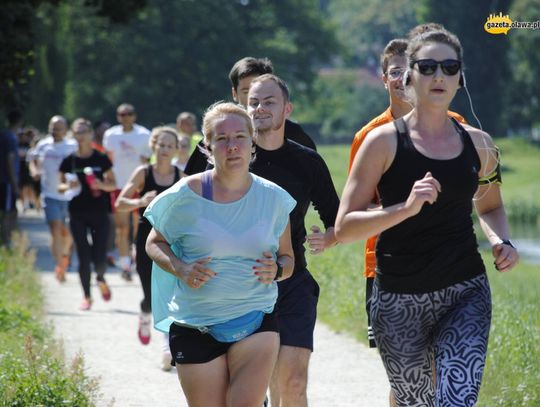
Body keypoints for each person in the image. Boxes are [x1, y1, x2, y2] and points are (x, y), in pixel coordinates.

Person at [335, 28, 519, 406]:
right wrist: (403, 208)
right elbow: (345, 226)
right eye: (428, 66)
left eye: (449, 67)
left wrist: (502, 240)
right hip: (398, 297)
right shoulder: (381, 142)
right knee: (416, 402)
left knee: (455, 399)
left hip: (464, 290)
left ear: (459, 78)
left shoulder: (480, 143)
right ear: (408, 77)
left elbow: (491, 205)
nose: (439, 75)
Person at [144, 102, 296, 406]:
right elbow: (154, 243)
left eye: (240, 136)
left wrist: (277, 270)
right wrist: (181, 268)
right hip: (195, 324)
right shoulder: (183, 196)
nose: (232, 146)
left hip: (255, 318)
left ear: (252, 142)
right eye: (222, 139)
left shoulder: (274, 198)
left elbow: (288, 259)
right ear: (208, 146)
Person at [246, 74, 340, 407]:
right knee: (256, 388)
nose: (260, 108)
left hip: (293, 281)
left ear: (287, 108)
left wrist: (328, 239)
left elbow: (336, 217)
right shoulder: (228, 156)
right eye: (254, 102)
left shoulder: (307, 161)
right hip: (240, 286)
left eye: (269, 101)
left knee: (295, 381)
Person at [115, 126, 181, 369]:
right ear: (153, 146)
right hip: (145, 238)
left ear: (176, 150)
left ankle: (167, 347)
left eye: (169, 146)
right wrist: (140, 201)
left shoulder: (181, 176)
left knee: (170, 295)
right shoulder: (143, 173)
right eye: (160, 145)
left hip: (172, 240)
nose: (164, 150)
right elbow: (120, 203)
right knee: (150, 296)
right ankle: (144, 314)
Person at [183, 56, 317, 175]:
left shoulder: (295, 134)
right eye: (247, 91)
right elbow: (191, 186)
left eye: (261, 91)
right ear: (234, 93)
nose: (255, 98)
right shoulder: (216, 136)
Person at [59, 118, 117, 310]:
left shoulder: (101, 158)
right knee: (83, 257)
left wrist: (101, 185)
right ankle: (87, 296)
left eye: (84, 131)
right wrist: (68, 185)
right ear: (73, 135)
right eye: (77, 132)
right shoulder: (69, 160)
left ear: (91, 134)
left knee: (99, 258)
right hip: (77, 213)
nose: (81, 135)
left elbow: (113, 183)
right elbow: (59, 186)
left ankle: (100, 278)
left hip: (100, 213)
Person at [103, 103, 151, 281]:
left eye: (129, 113)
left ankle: (135, 259)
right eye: (122, 114)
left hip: (138, 185)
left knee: (138, 228)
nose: (125, 117)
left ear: (134, 116)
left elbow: (147, 160)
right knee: (122, 228)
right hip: (119, 185)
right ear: (118, 116)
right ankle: (125, 265)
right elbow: (108, 160)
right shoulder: (111, 135)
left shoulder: (144, 134)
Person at [31, 115, 77, 281]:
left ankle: (65, 254)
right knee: (55, 230)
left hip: (69, 196)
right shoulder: (43, 145)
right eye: (52, 127)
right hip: (49, 194)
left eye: (58, 128)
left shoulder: (72, 146)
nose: (55, 131)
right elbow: (33, 160)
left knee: (67, 233)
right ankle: (59, 265)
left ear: (65, 129)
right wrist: (34, 171)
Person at [0, 110, 22, 247]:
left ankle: (9, 239)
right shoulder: (10, 137)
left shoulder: (4, 135)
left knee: (12, 210)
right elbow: (9, 160)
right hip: (7, 181)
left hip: (6, 180)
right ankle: (7, 241)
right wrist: (14, 184)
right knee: (8, 212)